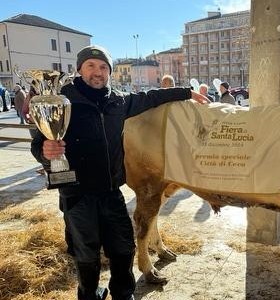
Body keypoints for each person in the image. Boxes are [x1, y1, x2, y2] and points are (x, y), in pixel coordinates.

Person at [30, 45, 207, 300]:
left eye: (103, 67)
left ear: (110, 72)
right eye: (91, 66)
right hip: (77, 195)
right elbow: (38, 143)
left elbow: (151, 97)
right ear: (80, 69)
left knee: (124, 249)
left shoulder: (119, 101)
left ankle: (123, 294)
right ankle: (89, 295)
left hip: (111, 192)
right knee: (87, 254)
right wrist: (45, 151)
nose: (97, 72)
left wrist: (186, 92)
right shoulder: (62, 101)